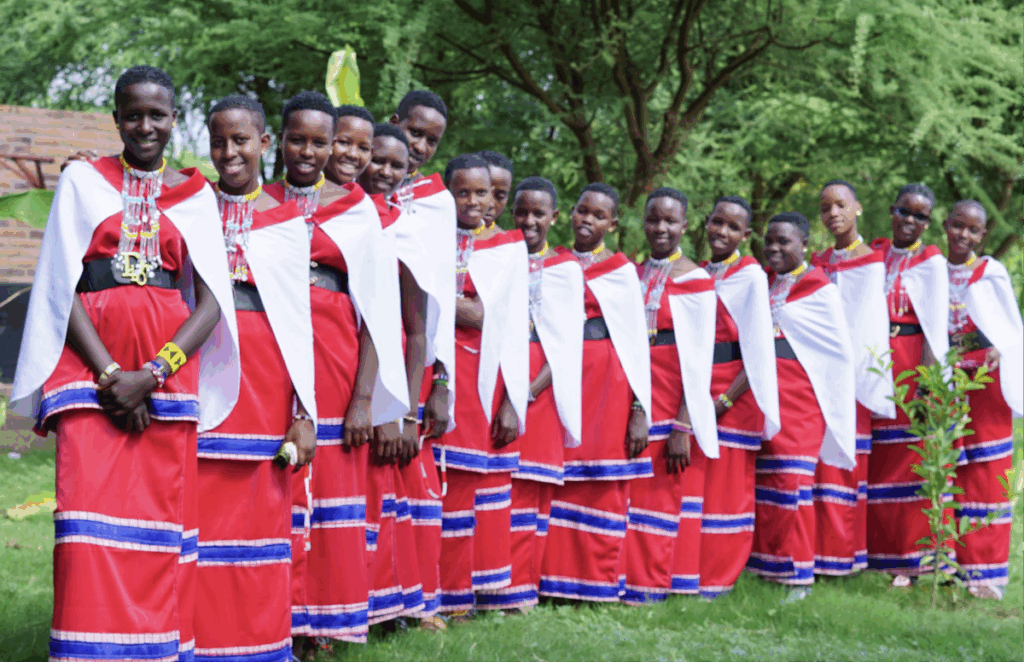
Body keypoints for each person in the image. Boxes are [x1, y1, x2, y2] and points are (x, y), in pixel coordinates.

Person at [11, 65, 239, 661]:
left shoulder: (196, 196)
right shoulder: (83, 182)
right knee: (89, 529)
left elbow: (212, 301)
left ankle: (155, 649)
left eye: (156, 115)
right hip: (88, 375)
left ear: (173, 120)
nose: (144, 125)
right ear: (115, 119)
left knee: (161, 530)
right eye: (132, 114)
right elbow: (60, 285)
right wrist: (113, 375)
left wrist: (152, 375)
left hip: (164, 378)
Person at [263, 91, 407, 648]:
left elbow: (377, 312)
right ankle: (268, 612)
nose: (308, 150)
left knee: (329, 491)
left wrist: (365, 399)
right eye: (297, 138)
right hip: (268, 359)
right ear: (279, 139)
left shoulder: (356, 210)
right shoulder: (253, 198)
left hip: (335, 361)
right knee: (273, 482)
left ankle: (316, 624)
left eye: (320, 141)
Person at [192, 94, 317, 659]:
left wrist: (304, 412)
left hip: (267, 377)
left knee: (260, 509)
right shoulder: (191, 208)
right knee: (200, 509)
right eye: (219, 141)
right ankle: (197, 637)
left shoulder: (290, 222)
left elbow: (299, 321)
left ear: (265, 144)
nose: (229, 151)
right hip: (204, 365)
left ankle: (258, 643)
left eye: (241, 140)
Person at [475, 176, 584, 611]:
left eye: (539, 213)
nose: (529, 220)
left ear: (555, 217)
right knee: (496, 489)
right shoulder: (500, 255)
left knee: (530, 492)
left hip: (538, 386)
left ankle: (520, 592)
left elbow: (565, 346)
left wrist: (526, 393)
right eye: (522, 211)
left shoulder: (565, 269)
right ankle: (486, 586)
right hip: (499, 374)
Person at [539, 182, 652, 603]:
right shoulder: (552, 262)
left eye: (598, 215)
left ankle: (596, 582)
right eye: (582, 211)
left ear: (613, 223)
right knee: (561, 472)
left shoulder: (622, 270)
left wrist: (640, 408)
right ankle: (550, 579)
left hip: (608, 376)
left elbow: (636, 344)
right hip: (561, 370)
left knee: (600, 477)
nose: (587, 220)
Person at [435, 154, 529, 618]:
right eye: (463, 192)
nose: (473, 202)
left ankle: (455, 597)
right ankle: (418, 593)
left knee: (463, 491)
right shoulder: (428, 235)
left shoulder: (508, 247)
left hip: (479, 376)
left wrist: (513, 400)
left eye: (483, 193)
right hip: (429, 366)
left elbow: (509, 325)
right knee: (424, 484)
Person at [748, 212, 855, 598]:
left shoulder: (818, 288)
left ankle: (799, 574)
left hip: (801, 397)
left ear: (805, 246)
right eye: (769, 241)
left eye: (785, 242)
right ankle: (767, 566)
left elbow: (837, 352)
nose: (774, 248)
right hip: (763, 391)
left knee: (794, 482)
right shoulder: (762, 281)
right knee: (767, 482)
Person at [622, 188, 718, 604]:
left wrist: (684, 422)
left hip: (670, 390)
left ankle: (649, 586)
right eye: (653, 219)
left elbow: (700, 361)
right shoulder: (634, 273)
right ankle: (620, 579)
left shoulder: (697, 281)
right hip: (631, 390)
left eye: (669, 221)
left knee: (660, 492)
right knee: (630, 489)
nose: (660, 228)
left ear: (685, 225)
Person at [360, 123, 428, 625]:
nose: (382, 171)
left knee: (378, 490)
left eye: (394, 165)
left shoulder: (405, 229)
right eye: (375, 159)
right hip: (335, 358)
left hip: (385, 370)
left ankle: (383, 606)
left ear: (409, 174)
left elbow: (416, 331)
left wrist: (404, 408)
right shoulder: (325, 213)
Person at [809, 180, 894, 577]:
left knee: (846, 467)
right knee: (819, 468)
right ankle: (815, 552)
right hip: (818, 375)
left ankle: (843, 556)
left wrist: (863, 377)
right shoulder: (817, 260)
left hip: (854, 376)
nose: (834, 214)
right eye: (826, 208)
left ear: (857, 208)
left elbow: (870, 323)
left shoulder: (872, 261)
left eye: (841, 205)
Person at [697, 196, 781, 599]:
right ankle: (691, 569)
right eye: (717, 223)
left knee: (727, 488)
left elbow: (759, 348)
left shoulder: (750, 276)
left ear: (746, 236)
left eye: (733, 228)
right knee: (700, 485)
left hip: (734, 393)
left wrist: (726, 401)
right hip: (698, 386)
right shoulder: (696, 273)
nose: (722, 232)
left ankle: (720, 576)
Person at [867, 183, 950, 582]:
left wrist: (927, 382)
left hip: (912, 361)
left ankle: (914, 561)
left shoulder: (931, 261)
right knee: (880, 463)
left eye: (921, 217)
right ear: (892, 211)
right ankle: (880, 554)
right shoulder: (875, 255)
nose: (911, 221)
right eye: (905, 212)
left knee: (912, 465)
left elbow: (935, 328)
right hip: (879, 363)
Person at [944, 200, 1021, 600]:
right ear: (946, 225)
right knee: (948, 471)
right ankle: (947, 562)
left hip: (986, 383)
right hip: (946, 379)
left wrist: (996, 349)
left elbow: (1009, 327)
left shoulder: (990, 272)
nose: (964, 235)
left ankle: (985, 573)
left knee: (986, 476)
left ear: (982, 236)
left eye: (973, 230)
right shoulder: (932, 272)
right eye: (958, 226)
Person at [389, 90, 449, 186]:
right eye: (415, 133)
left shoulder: (431, 198)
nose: (421, 148)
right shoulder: (358, 175)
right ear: (394, 123)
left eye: (432, 141)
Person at [324, 104, 374, 186]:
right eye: (343, 142)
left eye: (363, 148)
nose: (352, 154)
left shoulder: (363, 199)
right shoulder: (301, 191)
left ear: (371, 155)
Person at [476, 150, 513, 228]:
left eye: (500, 197)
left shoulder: (508, 240)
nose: (490, 204)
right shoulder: (445, 232)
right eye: (482, 193)